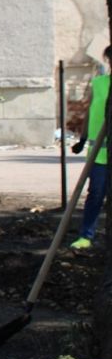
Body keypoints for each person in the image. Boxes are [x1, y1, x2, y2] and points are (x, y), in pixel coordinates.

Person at [70, 45, 112, 250]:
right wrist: (83, 138)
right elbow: (91, 113)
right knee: (95, 194)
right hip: (99, 154)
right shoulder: (99, 83)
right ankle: (86, 235)